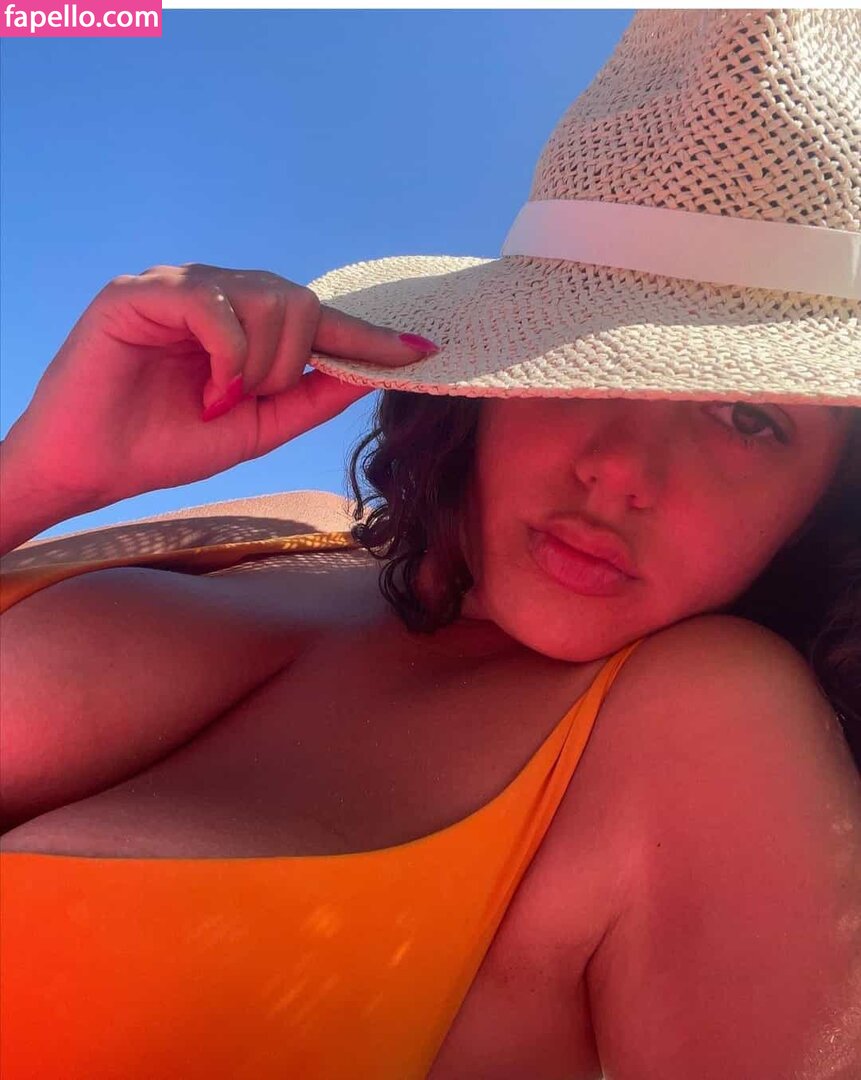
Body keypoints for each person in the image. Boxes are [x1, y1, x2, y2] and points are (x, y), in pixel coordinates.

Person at [1, 8, 859, 1080]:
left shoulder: (709, 727)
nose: (620, 468)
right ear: (487, 386)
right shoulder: (280, 529)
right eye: (585, 358)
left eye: (749, 417)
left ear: (829, 499)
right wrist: (39, 478)